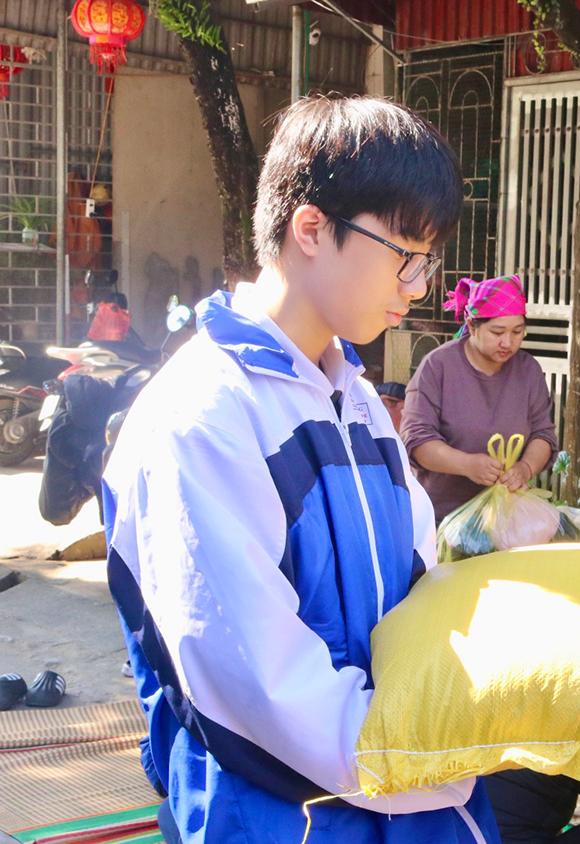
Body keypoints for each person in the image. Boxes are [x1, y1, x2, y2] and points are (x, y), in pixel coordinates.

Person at [101, 97, 500, 842]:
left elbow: (416, 588)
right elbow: (259, 693)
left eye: (427, 259)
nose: (417, 285)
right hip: (288, 819)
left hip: (413, 796)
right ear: (311, 228)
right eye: (404, 255)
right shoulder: (205, 414)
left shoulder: (357, 402)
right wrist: (437, 757)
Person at [400, 274, 557, 522]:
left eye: (517, 332)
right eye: (497, 332)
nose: (508, 342)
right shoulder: (438, 366)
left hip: (506, 520)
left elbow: (543, 434)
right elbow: (417, 441)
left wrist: (524, 468)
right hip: (441, 519)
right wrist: (467, 464)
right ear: (472, 326)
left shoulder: (528, 371)